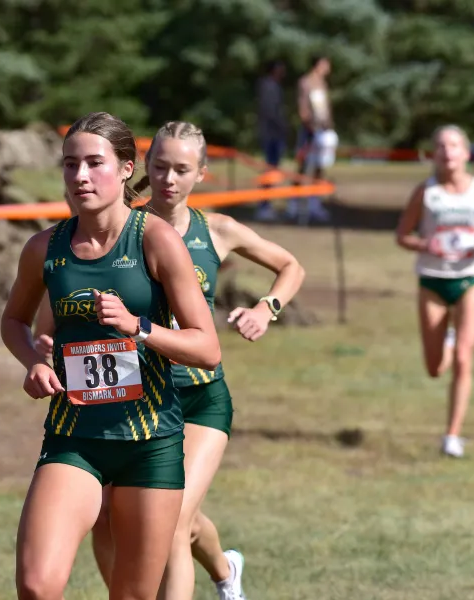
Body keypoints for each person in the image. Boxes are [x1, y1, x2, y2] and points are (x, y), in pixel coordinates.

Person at [35, 121, 305, 599]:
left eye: (181, 169)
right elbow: (50, 313)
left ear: (201, 174)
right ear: (141, 168)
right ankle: (226, 571)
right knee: (122, 519)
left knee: (176, 518)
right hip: (126, 401)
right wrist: (45, 349)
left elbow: (291, 266)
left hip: (196, 397)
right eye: (159, 167)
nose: (168, 179)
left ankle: (213, 581)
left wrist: (268, 309)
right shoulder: (122, 228)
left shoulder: (215, 230)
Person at [0, 112, 221, 600]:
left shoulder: (155, 239)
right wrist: (33, 363)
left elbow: (206, 347)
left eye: (94, 163)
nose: (79, 176)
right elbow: (13, 321)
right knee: (37, 586)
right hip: (74, 438)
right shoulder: (45, 248)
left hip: (150, 444)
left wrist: (140, 328)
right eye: (70, 164)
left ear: (125, 168)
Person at [396, 125, 474, 458]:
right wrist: (424, 243)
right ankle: (445, 340)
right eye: (441, 146)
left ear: (465, 152)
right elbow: (402, 235)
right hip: (433, 280)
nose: (448, 152)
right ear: (434, 153)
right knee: (435, 369)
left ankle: (452, 435)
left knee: (464, 357)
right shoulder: (426, 192)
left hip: (470, 279)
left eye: (454, 145)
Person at [290, 56, 334, 223]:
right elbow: (303, 107)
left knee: (320, 167)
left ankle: (315, 203)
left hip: (322, 131)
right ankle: (294, 203)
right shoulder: (305, 82)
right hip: (309, 131)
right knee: (302, 165)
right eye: (325, 65)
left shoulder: (323, 84)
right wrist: (308, 124)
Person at [254, 59, 288, 222]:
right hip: (271, 135)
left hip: (275, 134)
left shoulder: (274, 86)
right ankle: (264, 205)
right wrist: (281, 126)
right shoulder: (268, 87)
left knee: (273, 170)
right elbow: (270, 112)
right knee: (269, 170)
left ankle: (267, 203)